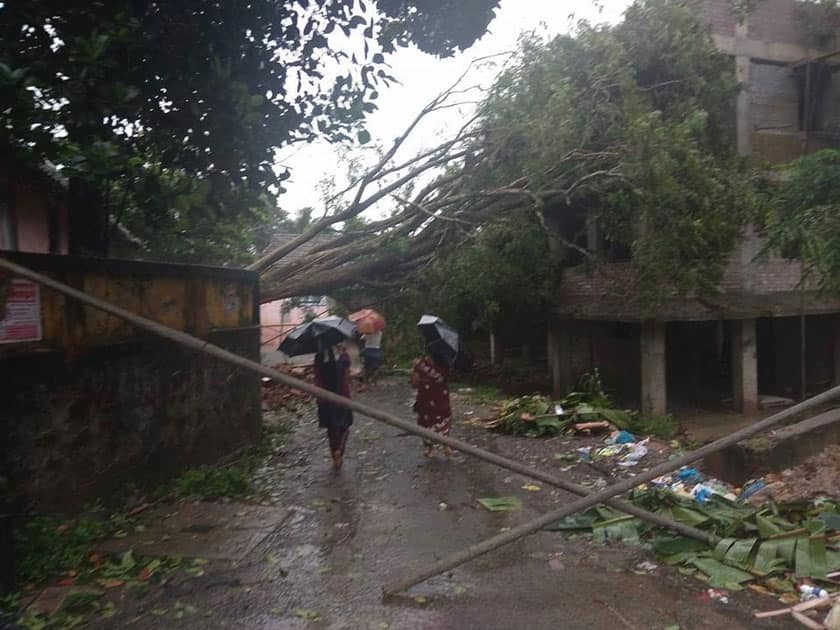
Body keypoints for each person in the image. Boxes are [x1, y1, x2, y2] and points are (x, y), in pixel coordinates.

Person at [313, 343, 353, 470]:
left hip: (325, 398)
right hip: (342, 396)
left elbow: (318, 379)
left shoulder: (319, 358)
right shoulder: (343, 357)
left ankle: (334, 453)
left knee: (331, 429)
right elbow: (346, 376)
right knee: (345, 427)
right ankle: (339, 451)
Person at [411, 349, 453, 458]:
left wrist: (415, 369)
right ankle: (445, 444)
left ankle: (430, 449)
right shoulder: (446, 365)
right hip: (440, 398)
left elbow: (414, 382)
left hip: (425, 397)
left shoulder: (421, 364)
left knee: (426, 422)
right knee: (443, 419)